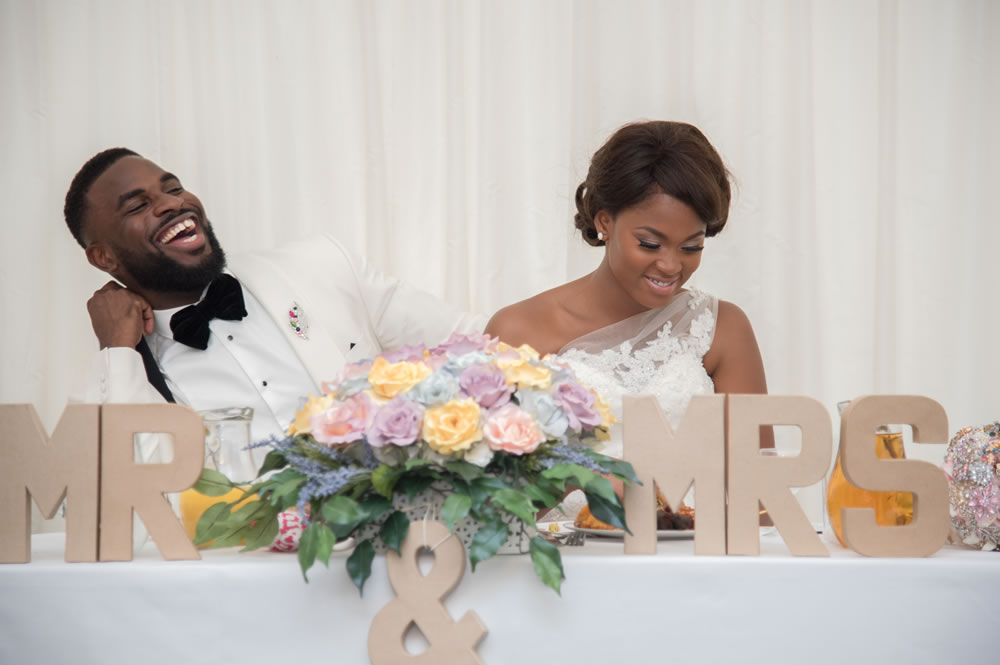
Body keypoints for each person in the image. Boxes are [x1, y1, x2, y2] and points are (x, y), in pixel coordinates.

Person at [66, 147, 486, 446]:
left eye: (172, 188)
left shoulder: (322, 266)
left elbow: (475, 346)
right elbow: (119, 500)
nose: (170, 205)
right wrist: (118, 352)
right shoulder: (120, 373)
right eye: (137, 206)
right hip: (239, 567)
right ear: (103, 257)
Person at [486, 121, 770, 516]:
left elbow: (762, 497)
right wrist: (575, 481)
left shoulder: (723, 328)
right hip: (566, 565)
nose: (671, 265)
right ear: (604, 222)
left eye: (692, 246)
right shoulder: (518, 330)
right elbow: (489, 504)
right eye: (649, 243)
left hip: (690, 559)